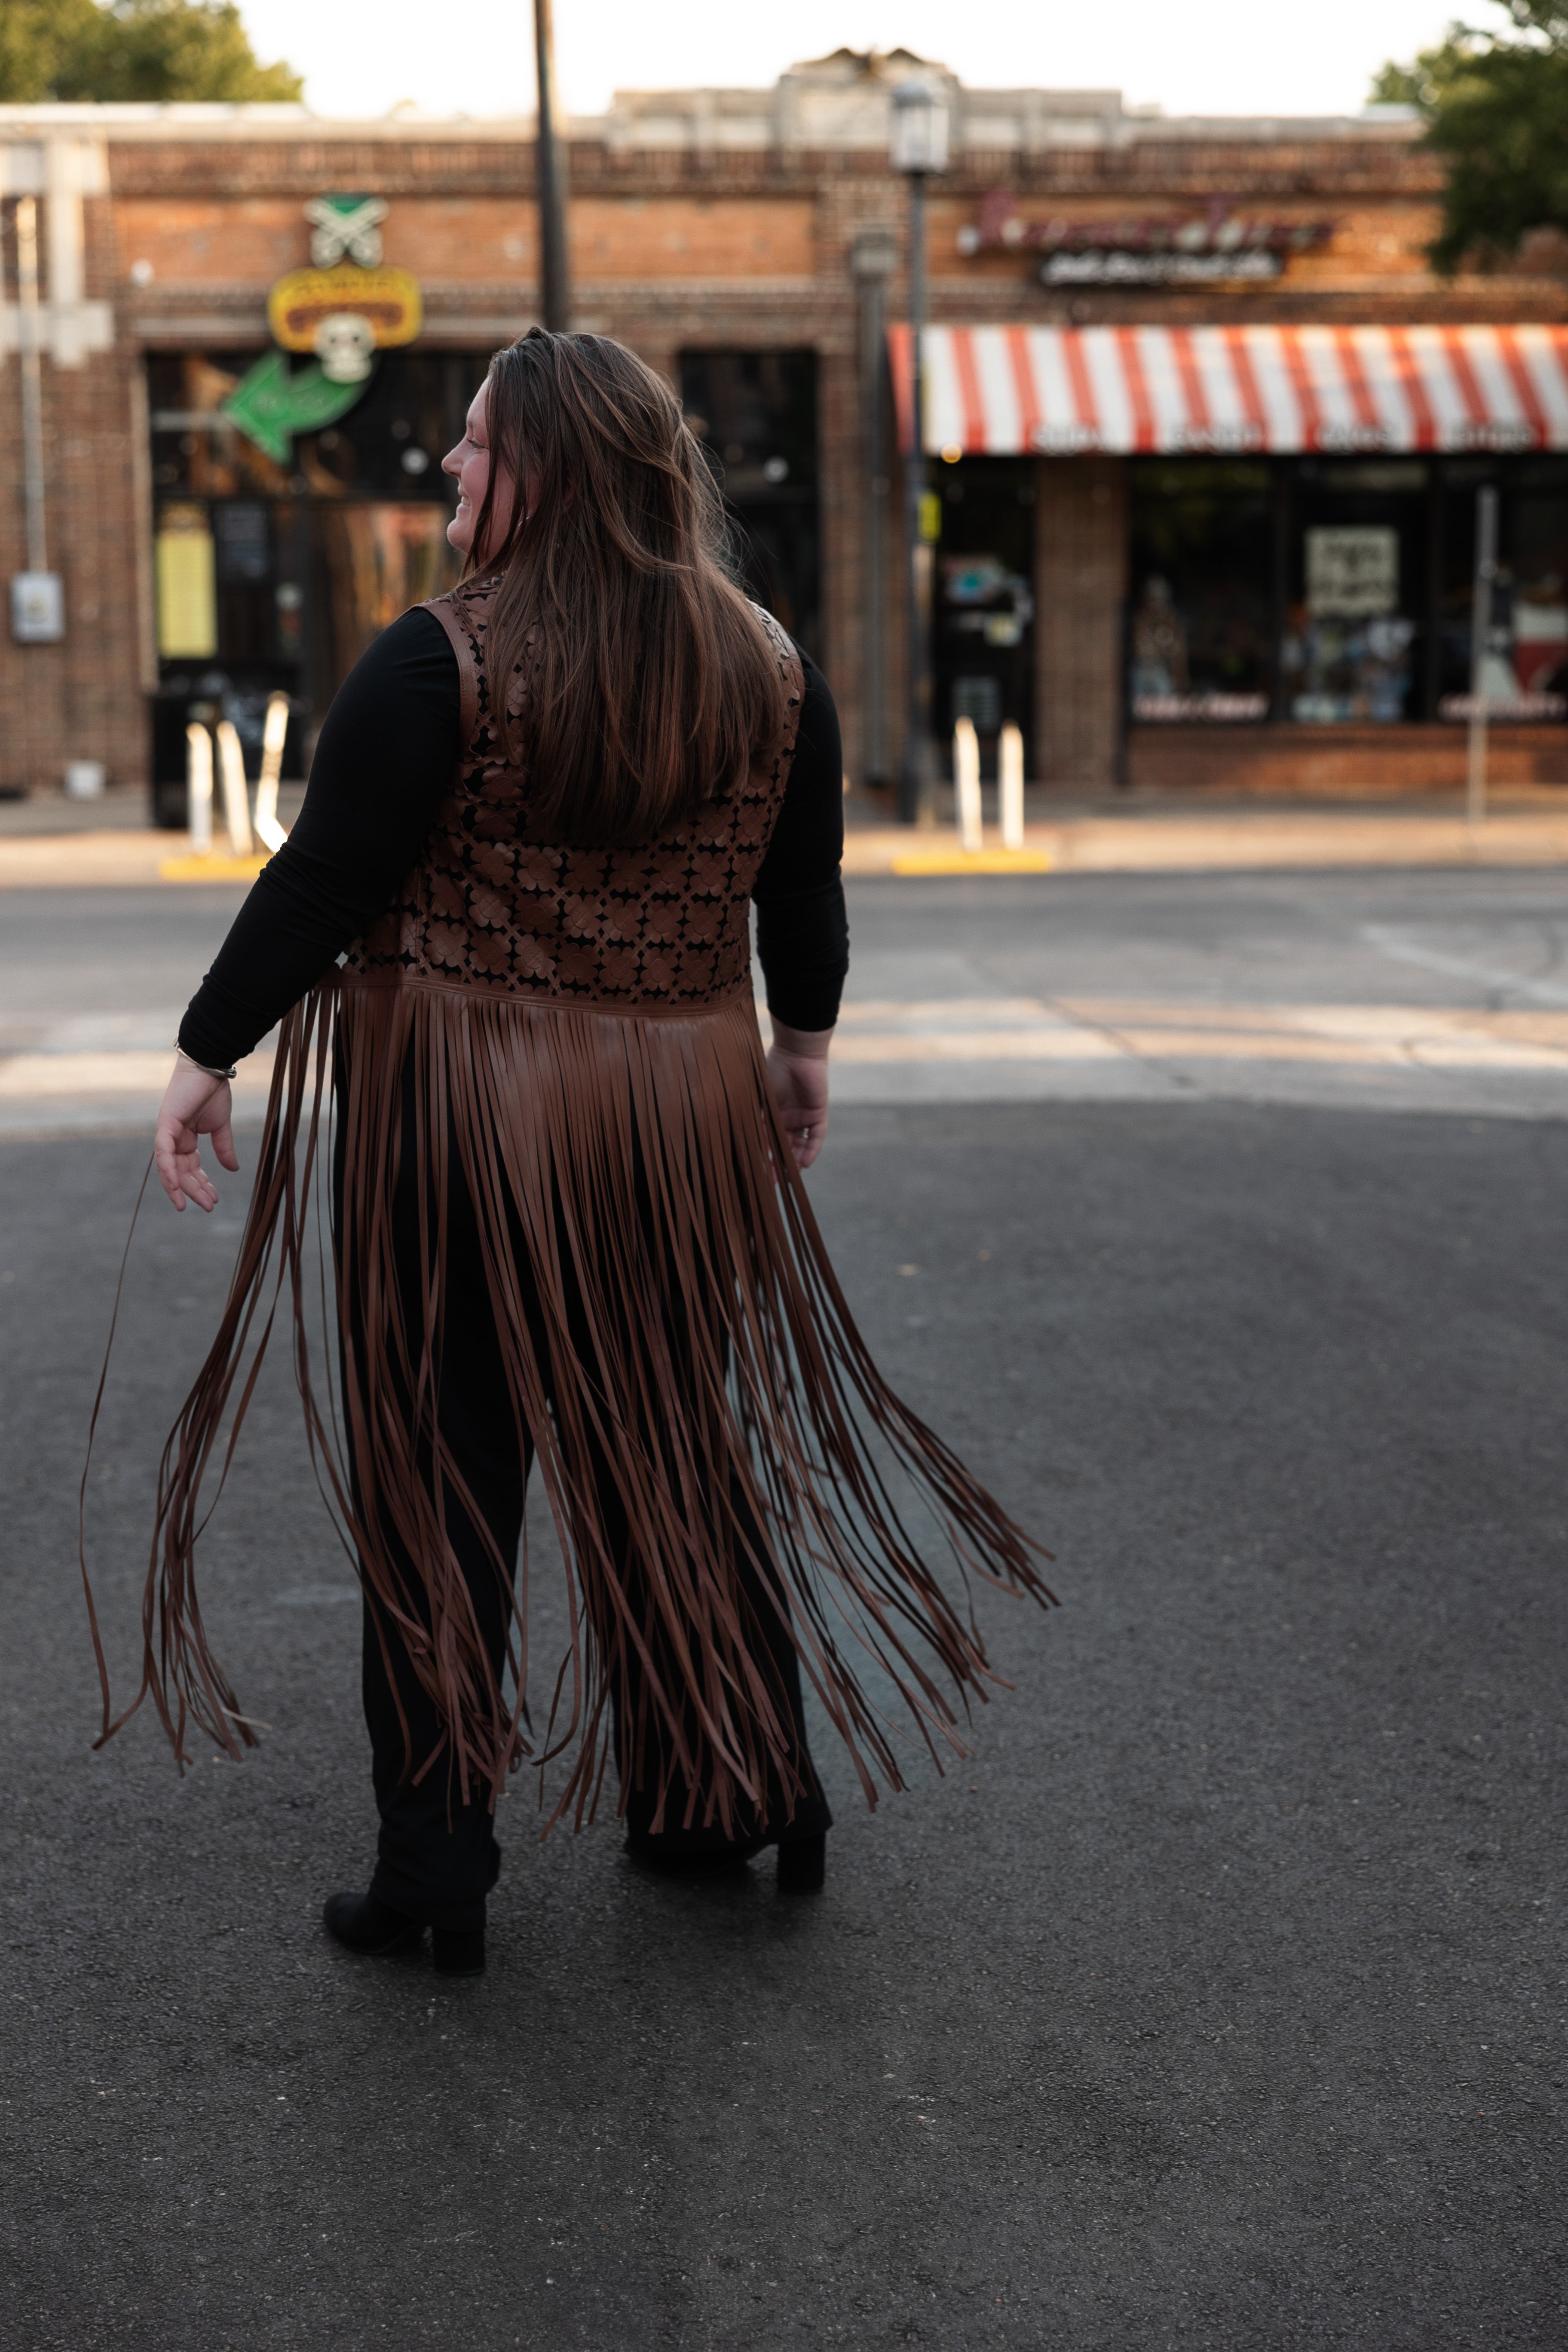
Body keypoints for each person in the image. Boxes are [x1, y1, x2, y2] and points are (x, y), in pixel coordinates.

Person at [104, 331, 1050, 1979]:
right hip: (679, 1105)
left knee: (445, 1463)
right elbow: (802, 884)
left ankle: (437, 1866)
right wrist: (800, 1048)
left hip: (464, 1110)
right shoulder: (769, 662)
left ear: (539, 469)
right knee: (669, 1442)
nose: (449, 471)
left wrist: (203, 1056)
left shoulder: (433, 664)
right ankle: (733, 1786)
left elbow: (320, 886)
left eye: (472, 446)